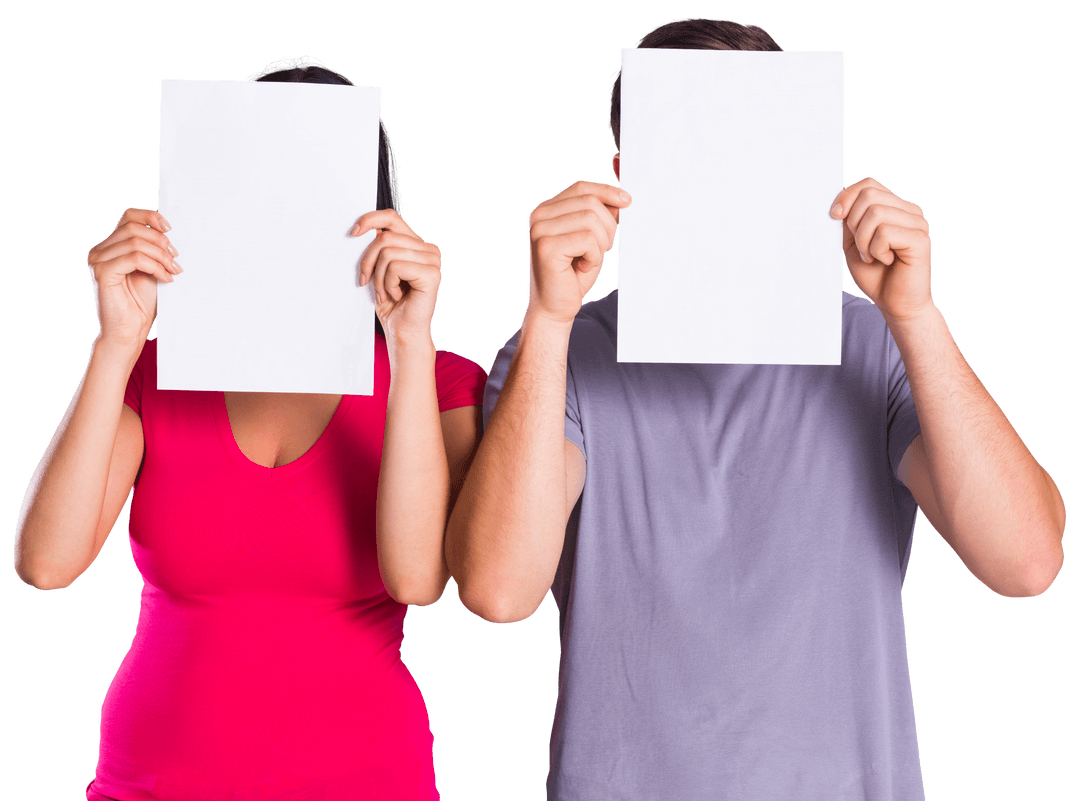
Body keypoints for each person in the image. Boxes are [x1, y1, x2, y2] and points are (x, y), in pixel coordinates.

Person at [445, 18, 1067, 800]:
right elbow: (499, 589)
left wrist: (917, 318)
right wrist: (547, 316)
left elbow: (1027, 562)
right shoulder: (557, 356)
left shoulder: (877, 345)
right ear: (621, 179)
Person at [13, 56, 485, 801]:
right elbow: (47, 561)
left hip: (362, 781)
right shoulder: (152, 375)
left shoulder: (441, 380)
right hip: (150, 782)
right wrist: (117, 342)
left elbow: (418, 576)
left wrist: (408, 343)